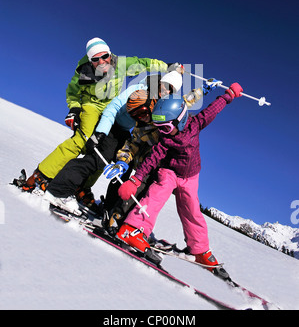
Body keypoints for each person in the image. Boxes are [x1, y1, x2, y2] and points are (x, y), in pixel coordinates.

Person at [115, 82, 243, 274]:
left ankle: (199, 250)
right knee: (155, 195)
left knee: (192, 211)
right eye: (158, 128)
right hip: (169, 172)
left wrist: (229, 95)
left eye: (165, 128)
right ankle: (132, 228)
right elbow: (152, 158)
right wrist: (136, 179)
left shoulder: (197, 123)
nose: (162, 133)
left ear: (180, 120)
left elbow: (213, 109)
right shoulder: (165, 140)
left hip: (191, 176)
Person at [22, 37, 170, 192]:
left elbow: (144, 63)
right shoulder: (84, 70)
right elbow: (72, 92)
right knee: (83, 139)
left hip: (110, 107)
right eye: (95, 59)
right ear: (90, 60)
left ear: (110, 55)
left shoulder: (120, 63)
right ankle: (42, 174)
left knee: (106, 149)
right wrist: (74, 109)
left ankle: (83, 188)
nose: (101, 62)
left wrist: (167, 67)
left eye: (104, 56)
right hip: (91, 105)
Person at [42, 71, 184, 214]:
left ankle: (110, 208)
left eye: (170, 89)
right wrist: (101, 132)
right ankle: (59, 191)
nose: (166, 89)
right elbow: (113, 107)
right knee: (98, 159)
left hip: (124, 132)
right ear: (160, 82)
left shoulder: (159, 102)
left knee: (123, 168)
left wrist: (201, 90)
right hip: (110, 126)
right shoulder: (138, 89)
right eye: (165, 85)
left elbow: (182, 105)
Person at [102, 78, 220, 231]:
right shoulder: (140, 129)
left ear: (150, 105)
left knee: (151, 196)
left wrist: (204, 89)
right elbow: (131, 146)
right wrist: (122, 161)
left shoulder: (164, 112)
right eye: (135, 116)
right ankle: (116, 216)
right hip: (147, 165)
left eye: (143, 112)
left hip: (165, 166)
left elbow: (186, 100)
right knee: (136, 188)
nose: (141, 117)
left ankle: (133, 224)